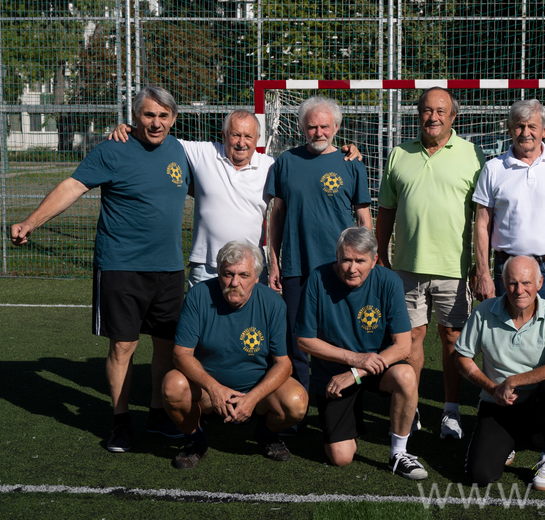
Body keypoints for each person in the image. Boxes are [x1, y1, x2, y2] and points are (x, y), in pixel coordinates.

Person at [10, 86, 189, 452]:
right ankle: (120, 423)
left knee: (166, 346)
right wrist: (31, 222)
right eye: (148, 115)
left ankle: (158, 414)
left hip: (170, 268)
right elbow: (72, 186)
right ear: (135, 117)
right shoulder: (112, 149)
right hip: (121, 266)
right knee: (123, 346)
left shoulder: (181, 151)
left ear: (173, 118)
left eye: (163, 115)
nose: (156, 123)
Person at [108, 110, 363, 287]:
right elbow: (161, 138)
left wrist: (344, 151)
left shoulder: (271, 165)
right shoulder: (204, 153)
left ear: (257, 139)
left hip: (252, 267)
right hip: (206, 267)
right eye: (235, 135)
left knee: (250, 334)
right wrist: (132, 129)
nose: (241, 143)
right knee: (200, 334)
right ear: (224, 135)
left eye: (248, 136)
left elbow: (306, 174)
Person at [376, 87, 485, 440]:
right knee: (410, 339)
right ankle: (412, 405)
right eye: (426, 110)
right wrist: (381, 254)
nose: (433, 117)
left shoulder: (473, 155)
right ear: (418, 113)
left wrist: (481, 264)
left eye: (440, 111)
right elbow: (386, 210)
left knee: (453, 339)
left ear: (453, 116)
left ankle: (450, 410)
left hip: (454, 268)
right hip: (406, 267)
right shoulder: (399, 154)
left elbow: (484, 217)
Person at [295, 227, 428, 480]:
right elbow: (304, 341)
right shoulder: (317, 279)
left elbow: (403, 346)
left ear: (374, 260)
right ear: (337, 256)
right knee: (341, 457)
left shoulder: (389, 281)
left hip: (375, 366)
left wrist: (356, 372)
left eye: (360, 261)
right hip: (335, 372)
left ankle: (399, 454)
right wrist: (354, 360)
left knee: (406, 375)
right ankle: (347, 424)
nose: (351, 268)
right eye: (346, 259)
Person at [163, 241, 308, 469]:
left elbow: (284, 364)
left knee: (297, 402)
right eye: (228, 274)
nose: (234, 282)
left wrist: (252, 398)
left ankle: (267, 433)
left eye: (243, 275)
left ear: (256, 277)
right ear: (219, 273)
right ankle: (194, 439)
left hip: (257, 392)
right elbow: (181, 354)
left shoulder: (273, 303)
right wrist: (214, 389)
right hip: (208, 391)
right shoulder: (198, 296)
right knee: (172, 385)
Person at [268, 96, 372, 406]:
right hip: (297, 266)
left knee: (338, 337)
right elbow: (277, 215)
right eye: (312, 126)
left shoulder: (351, 163)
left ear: (336, 127)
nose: (319, 132)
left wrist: (366, 262)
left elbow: (363, 218)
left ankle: (340, 404)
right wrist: (274, 262)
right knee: (297, 340)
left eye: (325, 126)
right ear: (302, 127)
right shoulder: (286, 161)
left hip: (340, 268)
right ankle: (297, 405)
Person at [455, 256, 545, 490]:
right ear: (502, 283)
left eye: (526, 283)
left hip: (538, 403)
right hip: (497, 404)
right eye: (513, 283)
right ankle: (509, 442)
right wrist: (493, 388)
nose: (519, 290)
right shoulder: (484, 311)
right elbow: (461, 358)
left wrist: (514, 381)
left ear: (539, 283)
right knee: (480, 475)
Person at [473, 99, 545, 304]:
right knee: (505, 324)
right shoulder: (493, 168)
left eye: (532, 126)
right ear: (509, 129)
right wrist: (483, 273)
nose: (525, 133)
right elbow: (481, 224)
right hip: (507, 268)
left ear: (544, 130)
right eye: (519, 126)